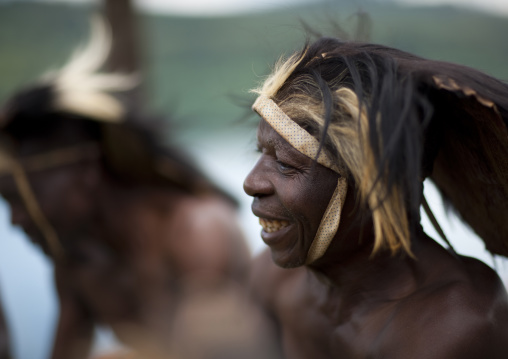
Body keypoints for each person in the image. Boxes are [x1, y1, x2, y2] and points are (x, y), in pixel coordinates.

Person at [0, 19, 277, 359]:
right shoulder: (78, 264)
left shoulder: (197, 231)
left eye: (21, 198)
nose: (15, 220)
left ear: (86, 170)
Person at [244, 36, 508, 358]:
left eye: (285, 164)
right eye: (261, 153)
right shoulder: (272, 280)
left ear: (377, 186)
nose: (251, 182)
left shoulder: (454, 325)